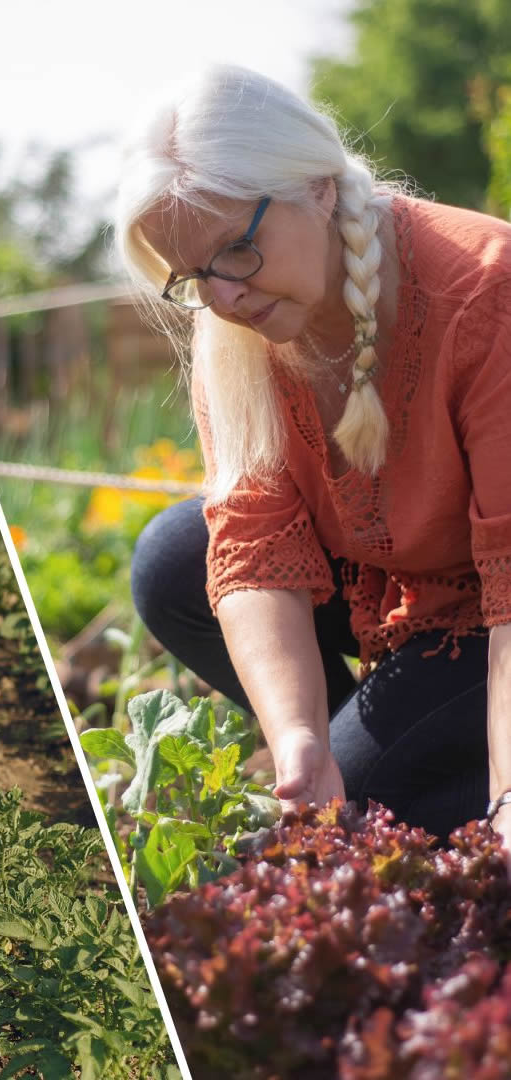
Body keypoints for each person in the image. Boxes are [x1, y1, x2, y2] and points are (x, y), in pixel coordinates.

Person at [118, 63, 511, 846]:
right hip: (400, 587)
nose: (223, 297)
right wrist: (301, 740)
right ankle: (387, 761)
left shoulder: (485, 294)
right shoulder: (234, 325)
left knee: (379, 802)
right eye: (192, 277)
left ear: (318, 189)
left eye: (236, 251)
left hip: (490, 610)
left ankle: (454, 788)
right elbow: (253, 544)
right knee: (173, 559)